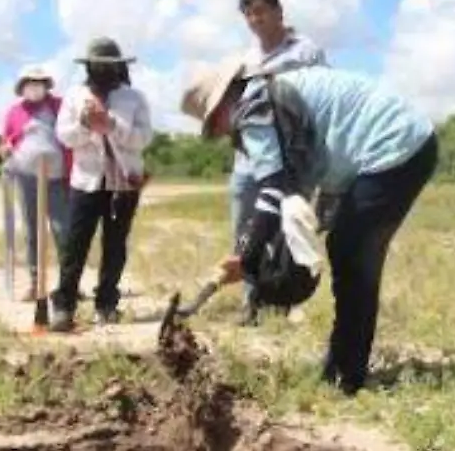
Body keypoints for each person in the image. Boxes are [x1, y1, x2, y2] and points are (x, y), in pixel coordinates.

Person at [181, 58, 439, 395]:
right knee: (348, 248)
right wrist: (253, 248)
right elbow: (292, 189)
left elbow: (271, 191)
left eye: (215, 125)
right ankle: (344, 366)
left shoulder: (255, 107)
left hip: (393, 146)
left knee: (351, 252)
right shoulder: (270, 95)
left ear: (221, 106)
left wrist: (245, 257)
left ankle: (345, 376)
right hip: (404, 144)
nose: (224, 133)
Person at [231, 0, 329, 326]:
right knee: (246, 225)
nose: (255, 19)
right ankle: (250, 299)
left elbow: (319, 100)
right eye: (248, 13)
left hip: (290, 158)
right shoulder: (246, 60)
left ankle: (278, 299)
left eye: (260, 10)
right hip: (250, 158)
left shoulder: (306, 52)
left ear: (278, 11)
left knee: (283, 227)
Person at [52, 38, 153, 331]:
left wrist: (111, 126)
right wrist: (85, 124)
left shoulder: (134, 98)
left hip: (124, 182)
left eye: (110, 66)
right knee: (75, 245)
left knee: (115, 245)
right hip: (86, 181)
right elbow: (64, 136)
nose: (104, 71)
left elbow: (144, 138)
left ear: (119, 67)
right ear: (89, 66)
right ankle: (64, 306)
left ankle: (107, 304)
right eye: (98, 66)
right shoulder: (74, 96)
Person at [0, 64, 71, 301]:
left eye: (39, 82)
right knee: (32, 230)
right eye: (30, 82)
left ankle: (69, 283)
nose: (34, 86)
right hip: (26, 176)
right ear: (22, 87)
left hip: (57, 177)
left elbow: (72, 133)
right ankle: (34, 282)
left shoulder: (60, 106)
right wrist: (7, 148)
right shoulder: (13, 112)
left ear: (46, 85)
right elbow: (4, 144)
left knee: (63, 230)